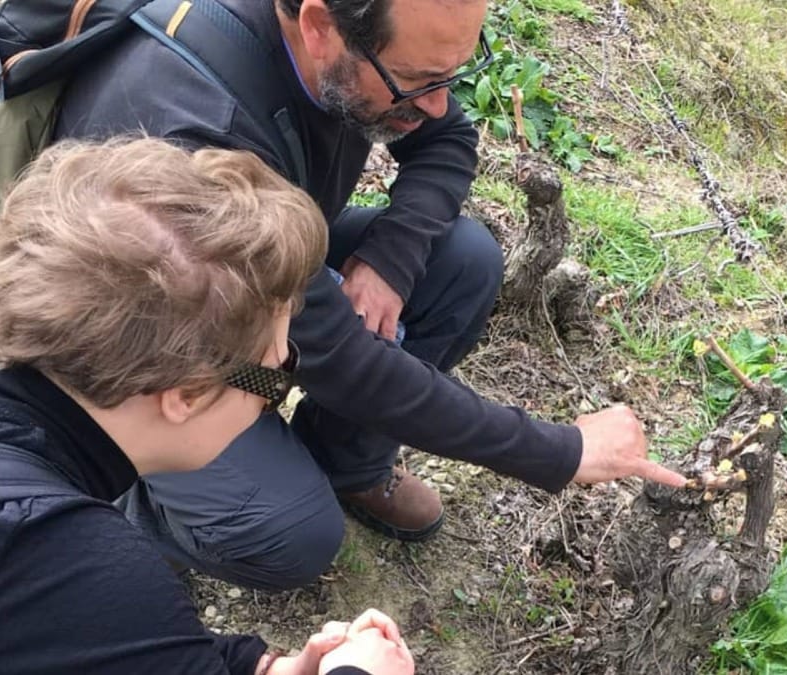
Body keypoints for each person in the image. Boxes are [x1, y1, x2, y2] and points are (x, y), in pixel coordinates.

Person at [54, 0, 687, 592]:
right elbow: (347, 363)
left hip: (262, 272)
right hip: (150, 342)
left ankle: (346, 464)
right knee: (292, 536)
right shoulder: (188, 138)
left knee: (462, 260)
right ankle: (133, 498)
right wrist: (560, 449)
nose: (438, 103)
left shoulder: (355, 50)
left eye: (453, 74)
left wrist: (387, 259)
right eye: (419, 79)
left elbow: (447, 140)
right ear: (318, 26)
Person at [0, 137, 412, 675]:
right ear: (187, 394)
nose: (279, 394)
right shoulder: (70, 568)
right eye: (278, 372)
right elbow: (97, 623)